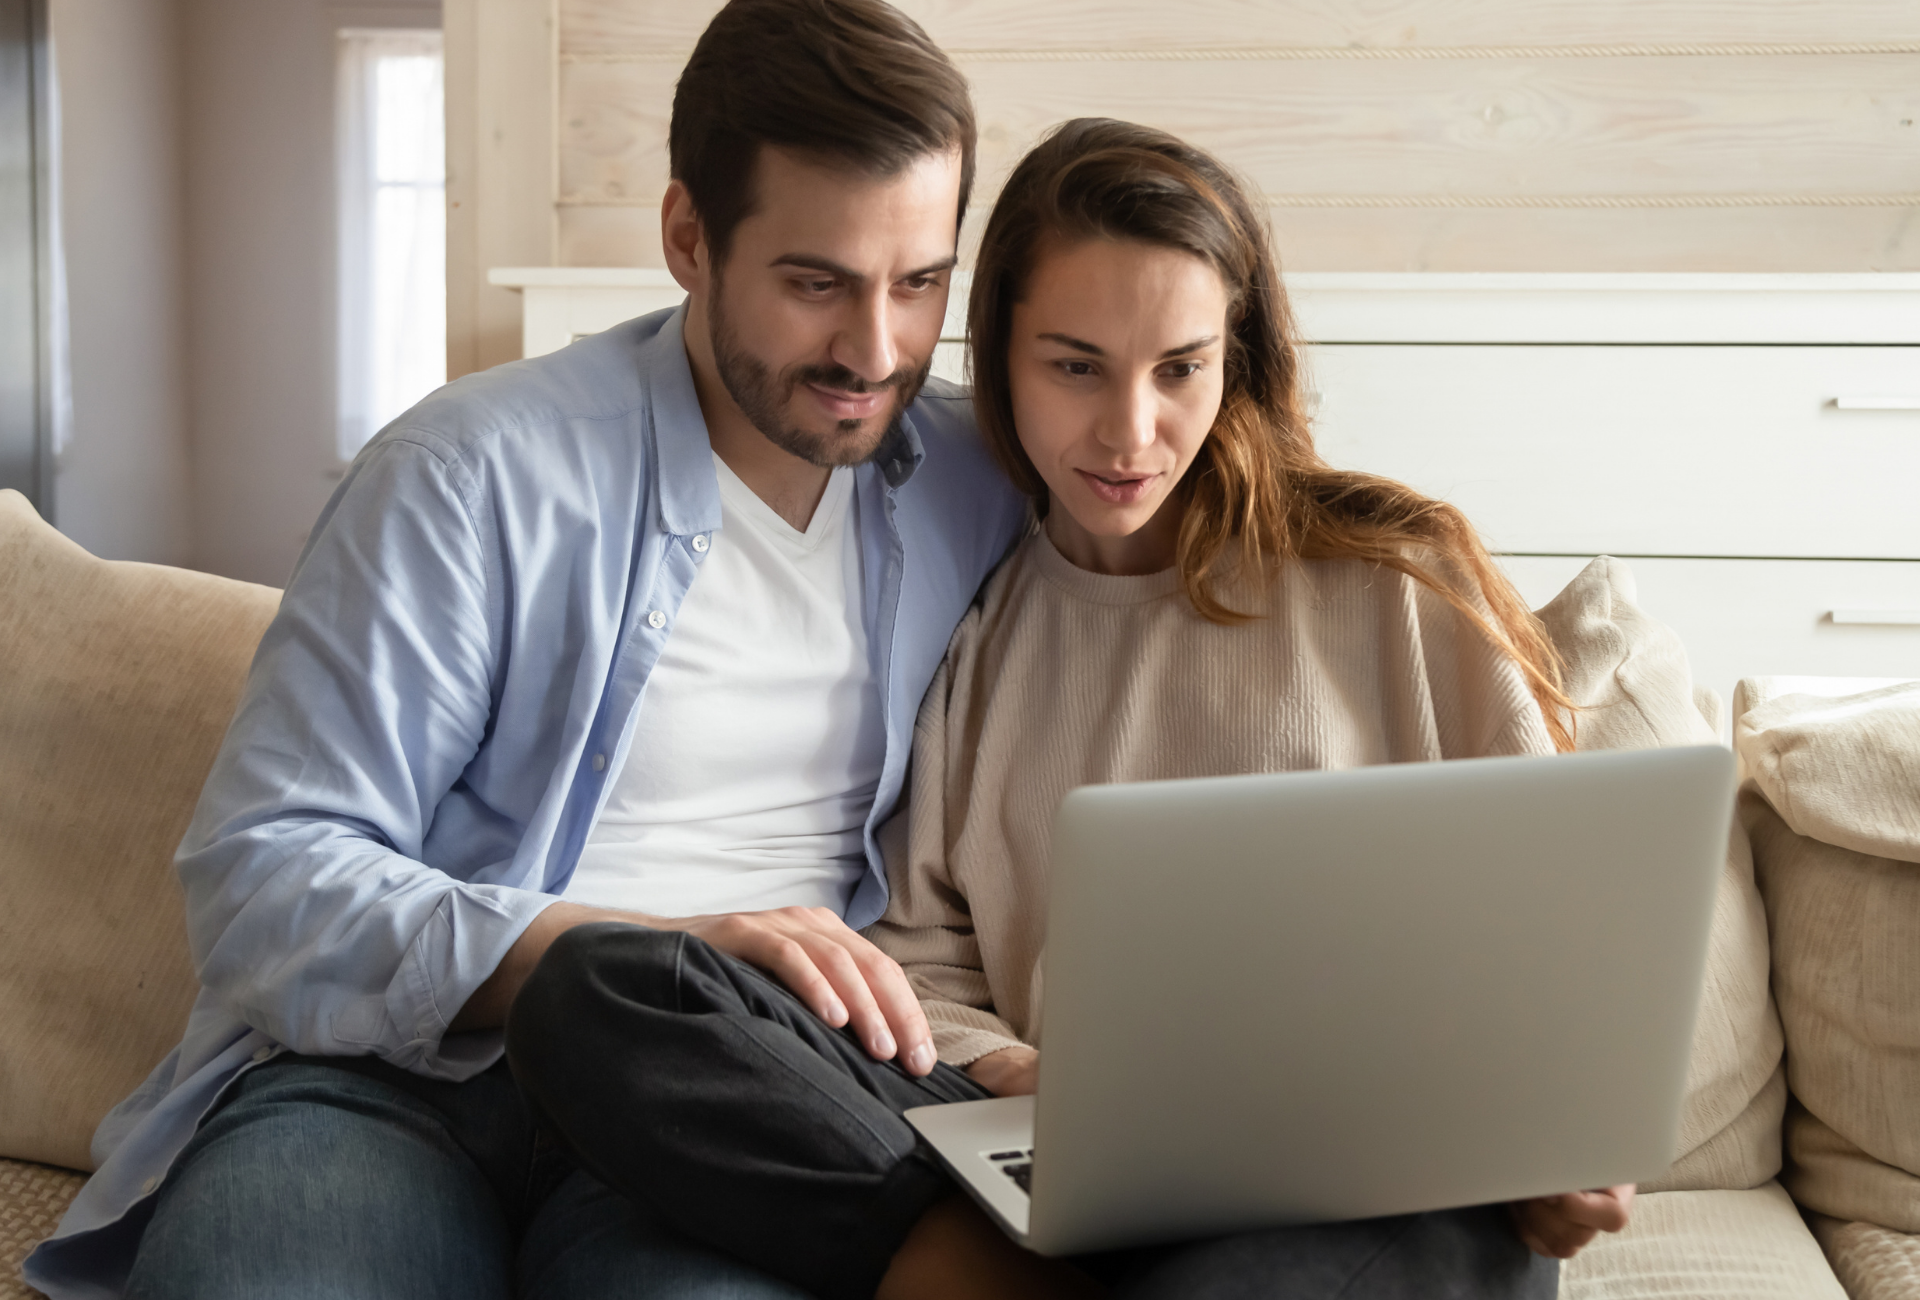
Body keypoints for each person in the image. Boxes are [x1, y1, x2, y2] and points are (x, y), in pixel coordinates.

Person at [505, 119, 1637, 1299]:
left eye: (1180, 368)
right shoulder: (978, 618)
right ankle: (976, 1262)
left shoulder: (1399, 584)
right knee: (603, 988)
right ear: (998, 355)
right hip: (1055, 1144)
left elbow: (1558, 940)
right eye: (1076, 364)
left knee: (1377, 1245)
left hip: (1364, 1175)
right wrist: (1010, 1068)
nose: (1129, 432)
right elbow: (924, 959)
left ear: (1236, 358)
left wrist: (1567, 1132)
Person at [22, 2, 1024, 1297]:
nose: (875, 349)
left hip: (735, 1114)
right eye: (815, 281)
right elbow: (265, 883)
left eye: (920, 282)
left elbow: (1202, 494)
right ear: (687, 237)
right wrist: (627, 956)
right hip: (394, 1086)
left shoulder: (976, 477)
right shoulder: (471, 474)